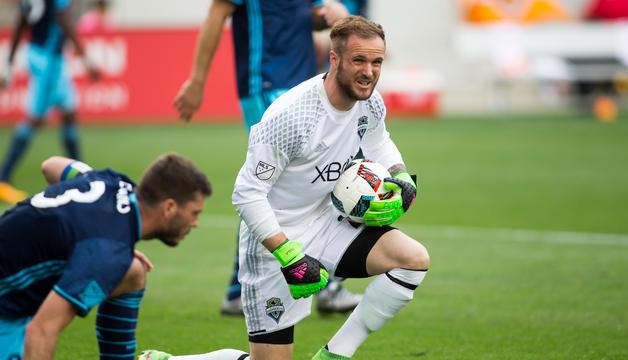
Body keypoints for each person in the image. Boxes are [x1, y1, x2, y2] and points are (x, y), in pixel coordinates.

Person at [141, 16, 429, 360]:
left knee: (412, 260)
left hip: (326, 223)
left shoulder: (370, 101)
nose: (369, 72)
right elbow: (246, 192)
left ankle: (335, 354)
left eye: (376, 62)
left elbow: (379, 141)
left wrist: (400, 176)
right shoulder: (291, 116)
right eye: (359, 61)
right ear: (334, 59)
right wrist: (287, 253)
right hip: (273, 242)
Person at [173, 0, 360, 316]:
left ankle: (238, 290)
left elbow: (302, 19)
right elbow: (217, 13)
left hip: (303, 84)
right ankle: (326, 286)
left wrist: (328, 17)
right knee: (284, 180)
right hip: (265, 83)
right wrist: (197, 81)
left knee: (286, 183)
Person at [0, 153, 212, 360]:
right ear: (169, 207)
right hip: (7, 315)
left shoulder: (111, 183)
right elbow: (41, 331)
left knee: (132, 271)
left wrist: (103, 243)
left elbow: (51, 165)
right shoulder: (107, 252)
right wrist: (106, 247)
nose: (196, 223)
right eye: (194, 213)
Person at [0, 0, 99, 205]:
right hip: (49, 60)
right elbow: (62, 19)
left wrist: (9, 63)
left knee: (68, 113)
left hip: (44, 54)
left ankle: (83, 176)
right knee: (35, 118)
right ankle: (3, 179)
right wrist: (86, 59)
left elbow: (22, 21)